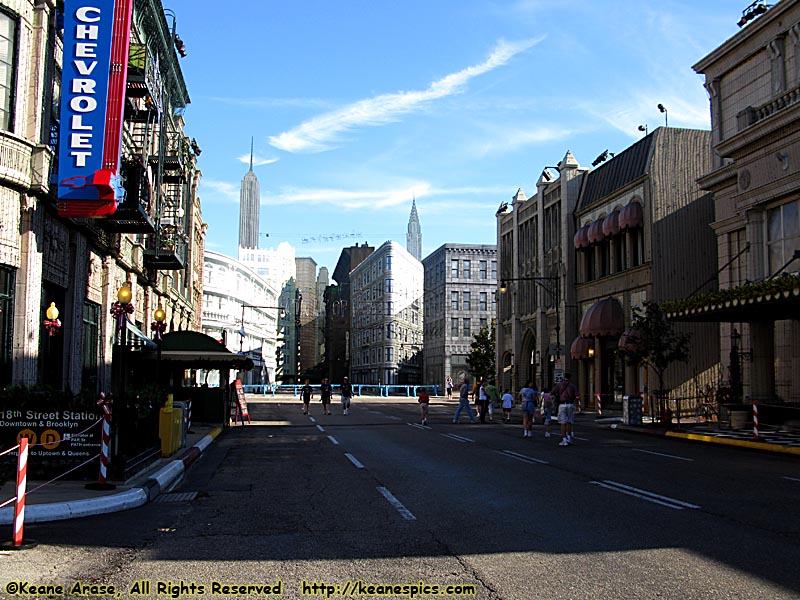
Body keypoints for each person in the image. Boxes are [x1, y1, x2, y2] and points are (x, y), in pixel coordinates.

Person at [552, 372, 577, 446]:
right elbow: (577, 395)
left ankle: (564, 439)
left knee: (563, 423)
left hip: (562, 405)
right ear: (570, 378)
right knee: (569, 422)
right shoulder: (573, 386)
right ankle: (569, 438)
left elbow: (552, 392)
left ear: (563, 377)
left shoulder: (559, 385)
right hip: (571, 404)